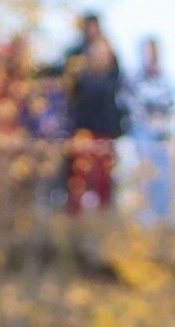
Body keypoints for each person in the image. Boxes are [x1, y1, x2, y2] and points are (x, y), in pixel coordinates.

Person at [64, 15, 123, 214]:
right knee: (80, 179)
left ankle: (103, 219)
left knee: (104, 180)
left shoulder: (115, 78)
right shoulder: (82, 77)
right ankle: (77, 221)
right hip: (85, 133)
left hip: (107, 136)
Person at [124, 37, 175, 222]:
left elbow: (170, 101)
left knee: (163, 175)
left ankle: (160, 217)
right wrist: (148, 119)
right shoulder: (134, 76)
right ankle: (140, 218)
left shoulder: (163, 76)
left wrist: (161, 120)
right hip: (141, 132)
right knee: (143, 173)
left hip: (161, 134)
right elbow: (130, 101)